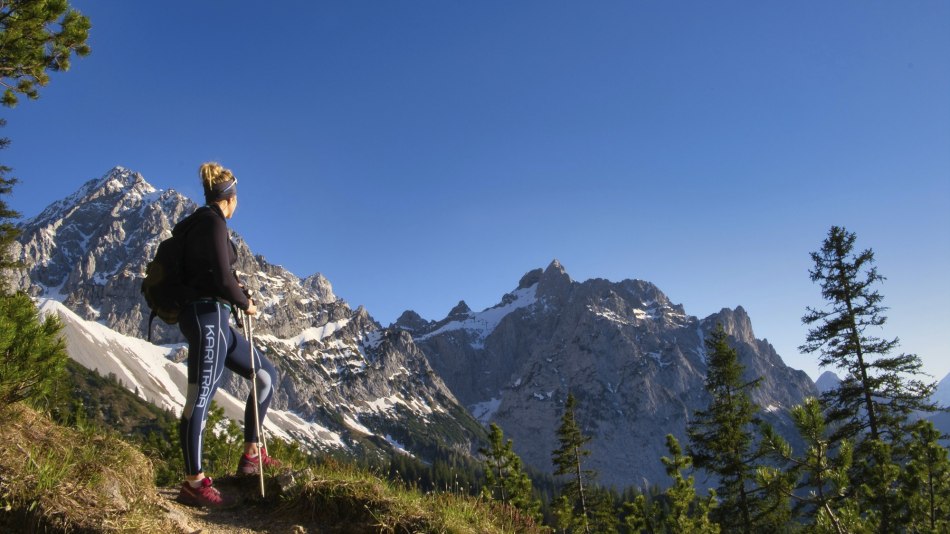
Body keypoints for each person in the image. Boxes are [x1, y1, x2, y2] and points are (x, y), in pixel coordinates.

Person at [175, 162, 280, 508]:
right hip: (207, 318)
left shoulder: (200, 225)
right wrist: (244, 301)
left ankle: (252, 453)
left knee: (265, 375)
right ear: (229, 197)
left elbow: (217, 275)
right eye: (237, 197)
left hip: (217, 320)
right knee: (199, 398)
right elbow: (221, 277)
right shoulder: (212, 223)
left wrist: (235, 293)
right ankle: (194, 482)